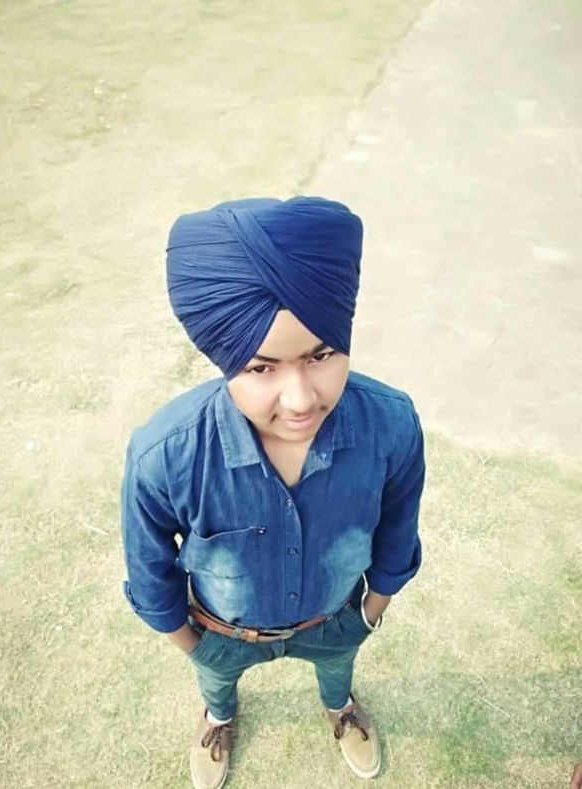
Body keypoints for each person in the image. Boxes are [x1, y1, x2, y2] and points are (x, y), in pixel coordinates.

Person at [121, 196, 425, 788]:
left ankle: (341, 707)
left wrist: (368, 614)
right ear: (224, 359)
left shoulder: (390, 424)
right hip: (222, 632)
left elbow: (398, 530)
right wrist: (195, 647)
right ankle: (218, 717)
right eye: (261, 368)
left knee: (337, 672)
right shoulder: (166, 452)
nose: (301, 399)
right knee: (217, 686)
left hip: (336, 619)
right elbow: (149, 569)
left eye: (322, 354)